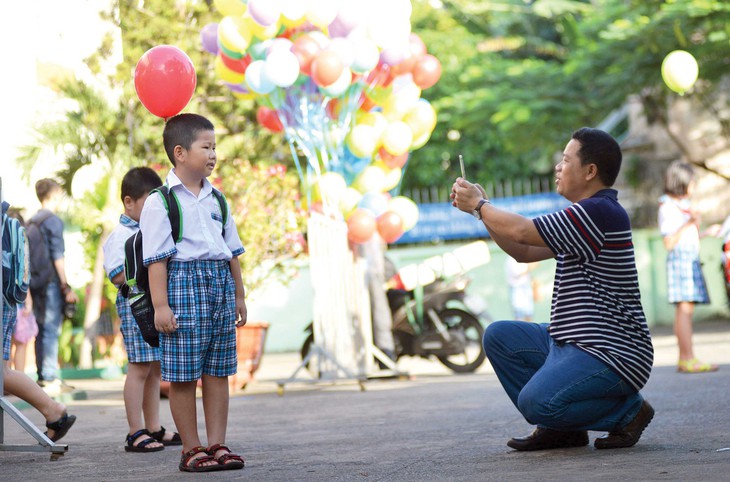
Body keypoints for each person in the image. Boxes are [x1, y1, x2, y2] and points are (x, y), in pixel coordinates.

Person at [451, 127, 654, 451]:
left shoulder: (599, 212)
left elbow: (521, 232)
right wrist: (483, 213)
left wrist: (480, 206)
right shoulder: (583, 216)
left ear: (590, 171)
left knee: (534, 402)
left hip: (609, 352)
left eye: (565, 159)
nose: (558, 167)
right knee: (499, 336)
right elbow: (523, 251)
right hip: (573, 342)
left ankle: (628, 411)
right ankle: (562, 429)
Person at [141, 113, 247, 472]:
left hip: (219, 283)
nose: (214, 153)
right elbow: (157, 259)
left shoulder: (218, 199)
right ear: (181, 152)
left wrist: (239, 296)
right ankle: (191, 448)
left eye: (215, 147)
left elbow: (232, 252)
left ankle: (217, 443)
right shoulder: (161, 201)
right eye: (207, 147)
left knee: (218, 371)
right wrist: (160, 306)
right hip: (183, 285)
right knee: (184, 374)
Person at [102, 166, 182, 453]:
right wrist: (148, 267)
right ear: (128, 202)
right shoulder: (121, 235)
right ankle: (134, 431)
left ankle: (153, 427)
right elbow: (117, 275)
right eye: (148, 204)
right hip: (135, 305)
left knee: (154, 368)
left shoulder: (151, 231)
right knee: (138, 367)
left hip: (152, 305)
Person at [2, 203, 76, 443]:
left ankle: (53, 409)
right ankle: (53, 410)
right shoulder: (7, 219)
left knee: (2, 372)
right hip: (8, 298)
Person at [658, 161, 718, 374]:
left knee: (686, 310)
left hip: (688, 257)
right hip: (681, 261)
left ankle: (686, 358)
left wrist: (704, 232)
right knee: (684, 310)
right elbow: (669, 242)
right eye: (692, 180)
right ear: (681, 181)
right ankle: (687, 358)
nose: (694, 185)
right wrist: (688, 222)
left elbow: (684, 238)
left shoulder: (680, 206)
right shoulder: (668, 207)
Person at [29, 179, 79, 396]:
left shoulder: (32, 221)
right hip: (50, 281)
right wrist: (65, 285)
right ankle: (49, 377)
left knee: (41, 329)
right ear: (52, 196)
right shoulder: (53, 221)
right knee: (51, 328)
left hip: (35, 281)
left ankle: (43, 376)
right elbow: (58, 255)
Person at [358, 233, 397, 366]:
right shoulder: (367, 237)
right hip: (370, 280)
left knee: (380, 315)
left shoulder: (371, 238)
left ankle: (386, 356)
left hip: (375, 280)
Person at [504, 257, 538, 322]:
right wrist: (530, 267)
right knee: (519, 315)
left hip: (525, 286)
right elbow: (516, 273)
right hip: (517, 287)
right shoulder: (511, 260)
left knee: (529, 314)